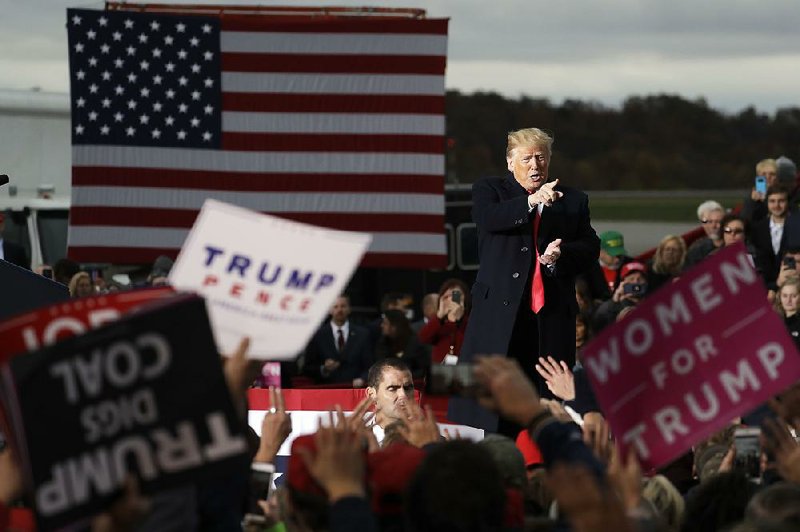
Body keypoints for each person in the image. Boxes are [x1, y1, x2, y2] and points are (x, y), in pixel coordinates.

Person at [452, 127, 600, 433]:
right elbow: (489, 218)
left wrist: (561, 256)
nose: (536, 165)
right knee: (490, 409)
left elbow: (590, 248)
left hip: (549, 319)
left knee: (546, 408)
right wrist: (532, 203)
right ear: (510, 162)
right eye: (528, 159)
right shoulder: (489, 190)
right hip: (499, 319)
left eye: (541, 158)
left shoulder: (572, 200)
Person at [302, 295, 373, 387]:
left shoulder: (363, 334)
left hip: (354, 389)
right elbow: (307, 368)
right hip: (326, 390)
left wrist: (363, 378)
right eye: (335, 307)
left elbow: (370, 365)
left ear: (349, 309)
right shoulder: (317, 335)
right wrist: (324, 369)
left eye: (343, 306)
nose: (339, 310)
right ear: (329, 310)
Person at [418, 279, 470, 365]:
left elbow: (471, 341)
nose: (452, 299)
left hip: (465, 369)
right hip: (440, 373)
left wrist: (460, 319)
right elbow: (422, 339)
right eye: (447, 296)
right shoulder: (438, 323)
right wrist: (439, 316)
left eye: (456, 295)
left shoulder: (470, 322)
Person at [365, 358, 416, 445]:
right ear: (371, 395)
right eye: (392, 389)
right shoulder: (353, 445)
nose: (403, 395)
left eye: (408, 388)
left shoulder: (433, 445)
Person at [751, 185, 791, 288]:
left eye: (781, 201)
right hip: (765, 288)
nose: (776, 205)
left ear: (788, 202)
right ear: (767, 203)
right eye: (772, 201)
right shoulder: (758, 229)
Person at [374, 309, 429, 378]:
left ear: (394, 327)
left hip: (412, 382)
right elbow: (380, 366)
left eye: (385, 323)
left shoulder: (414, 342)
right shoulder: (383, 343)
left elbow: (422, 368)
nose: (381, 325)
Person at [684, 200, 725, 270]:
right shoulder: (696, 251)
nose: (713, 226)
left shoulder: (735, 245)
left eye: (718, 221)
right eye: (708, 222)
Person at [741, 158, 780, 224]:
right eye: (764, 174)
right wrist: (752, 202)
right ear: (758, 176)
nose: (768, 177)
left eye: (772, 174)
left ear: (777, 177)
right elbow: (744, 221)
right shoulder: (752, 197)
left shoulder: (783, 195)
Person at [774, 277, 800, 350]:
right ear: (780, 296)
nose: (788, 300)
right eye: (785, 296)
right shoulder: (774, 321)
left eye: (794, 296)